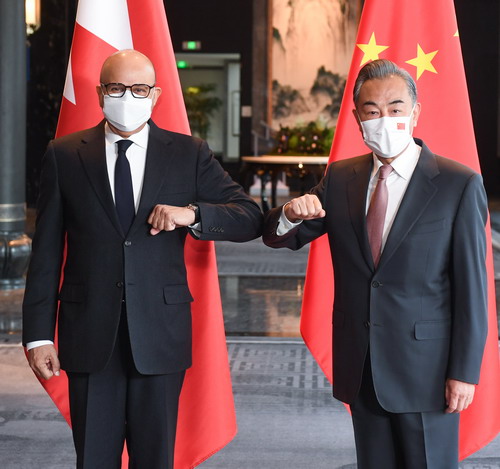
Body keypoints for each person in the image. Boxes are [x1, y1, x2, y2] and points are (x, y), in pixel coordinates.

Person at [23, 49, 263, 469]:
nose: (127, 97)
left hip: (160, 334)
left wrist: (192, 215)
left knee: (155, 459)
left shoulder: (187, 153)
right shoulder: (64, 154)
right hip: (89, 335)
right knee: (93, 459)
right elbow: (45, 251)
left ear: (155, 95)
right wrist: (38, 336)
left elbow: (249, 217)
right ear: (100, 93)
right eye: (117, 88)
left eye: (138, 89)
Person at [263, 59, 488, 469]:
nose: (384, 120)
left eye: (395, 108)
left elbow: (473, 289)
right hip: (363, 364)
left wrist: (465, 371)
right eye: (372, 111)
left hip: (428, 370)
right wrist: (290, 214)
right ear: (357, 119)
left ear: (415, 113)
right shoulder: (340, 178)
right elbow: (282, 236)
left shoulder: (459, 184)